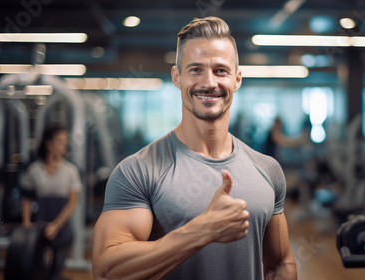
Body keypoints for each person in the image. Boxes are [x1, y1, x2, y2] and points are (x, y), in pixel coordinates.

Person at [92, 17, 297, 280]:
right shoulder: (138, 171)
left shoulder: (268, 169)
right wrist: (202, 230)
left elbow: (280, 263)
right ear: (177, 77)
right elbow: (106, 272)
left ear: (237, 79)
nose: (209, 82)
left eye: (220, 70)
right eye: (196, 70)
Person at [21, 123, 81, 280]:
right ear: (49, 144)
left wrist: (55, 226)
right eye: (60, 141)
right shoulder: (34, 170)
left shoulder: (71, 171)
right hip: (39, 226)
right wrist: (27, 224)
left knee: (55, 274)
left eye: (65, 142)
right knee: (37, 272)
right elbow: (27, 199)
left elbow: (72, 203)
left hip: (62, 227)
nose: (64, 146)